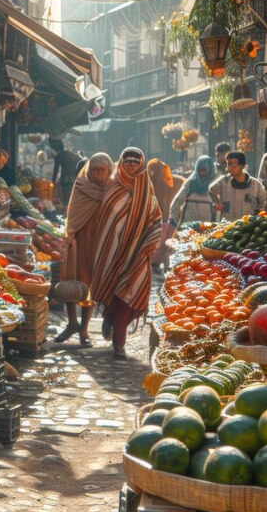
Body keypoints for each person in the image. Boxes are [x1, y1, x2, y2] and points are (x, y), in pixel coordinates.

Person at [90, 147, 163, 359]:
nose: (131, 163)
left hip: (139, 252)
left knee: (129, 296)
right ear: (121, 162)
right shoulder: (112, 185)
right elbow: (105, 218)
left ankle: (118, 341)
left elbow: (155, 217)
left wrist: (149, 242)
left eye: (135, 160)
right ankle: (111, 323)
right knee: (116, 294)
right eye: (127, 159)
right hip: (112, 252)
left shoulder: (146, 188)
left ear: (141, 163)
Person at [55, 153, 113, 346]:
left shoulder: (112, 190)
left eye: (101, 170)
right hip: (78, 240)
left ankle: (84, 330)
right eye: (94, 169)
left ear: (108, 171)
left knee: (90, 286)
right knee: (71, 280)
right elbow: (73, 213)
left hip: (98, 243)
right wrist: (70, 234)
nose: (97, 174)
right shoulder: (81, 186)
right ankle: (71, 323)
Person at [208, 151, 267, 221]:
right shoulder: (223, 182)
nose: (229, 168)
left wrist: (257, 216)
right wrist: (217, 203)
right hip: (227, 224)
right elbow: (210, 190)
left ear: (242, 165)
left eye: (232, 165)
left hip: (246, 226)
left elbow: (263, 204)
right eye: (228, 164)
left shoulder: (257, 186)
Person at [146, 158, 184, 272]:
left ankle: (167, 270)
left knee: (170, 247)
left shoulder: (177, 182)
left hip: (171, 221)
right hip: (155, 222)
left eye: (158, 170)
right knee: (157, 248)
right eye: (152, 170)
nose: (155, 174)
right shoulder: (146, 184)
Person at [169, 155, 217, 227]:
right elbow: (178, 200)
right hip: (189, 226)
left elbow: (221, 204)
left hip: (209, 227)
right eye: (201, 168)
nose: (203, 170)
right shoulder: (190, 183)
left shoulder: (215, 183)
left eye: (205, 168)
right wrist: (172, 217)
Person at [49, 138, 81, 208]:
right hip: (74, 179)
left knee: (66, 201)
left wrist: (53, 183)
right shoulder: (69, 154)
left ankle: (67, 214)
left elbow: (55, 171)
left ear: (54, 149)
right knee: (71, 199)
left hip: (66, 181)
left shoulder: (59, 156)